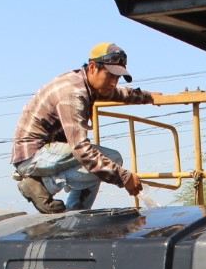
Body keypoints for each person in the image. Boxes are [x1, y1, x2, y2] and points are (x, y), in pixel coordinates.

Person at [11, 43, 163, 213]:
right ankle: (43, 185)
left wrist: (147, 96)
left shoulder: (88, 84)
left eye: (117, 77)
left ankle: (76, 216)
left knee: (101, 166)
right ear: (92, 67)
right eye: (110, 75)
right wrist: (124, 177)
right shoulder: (73, 93)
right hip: (33, 157)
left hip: (50, 153)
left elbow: (118, 93)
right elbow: (81, 150)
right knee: (109, 160)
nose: (114, 82)